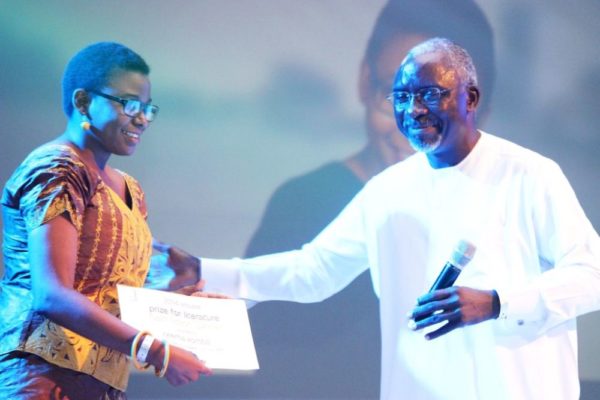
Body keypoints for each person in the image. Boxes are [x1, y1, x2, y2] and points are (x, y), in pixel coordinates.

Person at [191, 38, 600, 400]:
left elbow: (591, 274)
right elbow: (314, 269)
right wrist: (203, 271)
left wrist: (497, 303)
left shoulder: (529, 174)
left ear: (470, 98)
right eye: (401, 97)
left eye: (430, 94)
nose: (413, 110)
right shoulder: (388, 188)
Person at [232, 1, 496, 398]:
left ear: (479, 107)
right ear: (363, 81)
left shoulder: (505, 211)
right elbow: (268, 358)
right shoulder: (302, 206)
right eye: (396, 96)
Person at [0, 42, 211, 399]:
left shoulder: (131, 189)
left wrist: (180, 302)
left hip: (104, 383)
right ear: (83, 102)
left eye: (147, 108)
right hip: (42, 375)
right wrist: (156, 352)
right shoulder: (57, 167)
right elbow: (52, 295)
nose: (141, 118)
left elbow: (110, 297)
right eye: (129, 104)